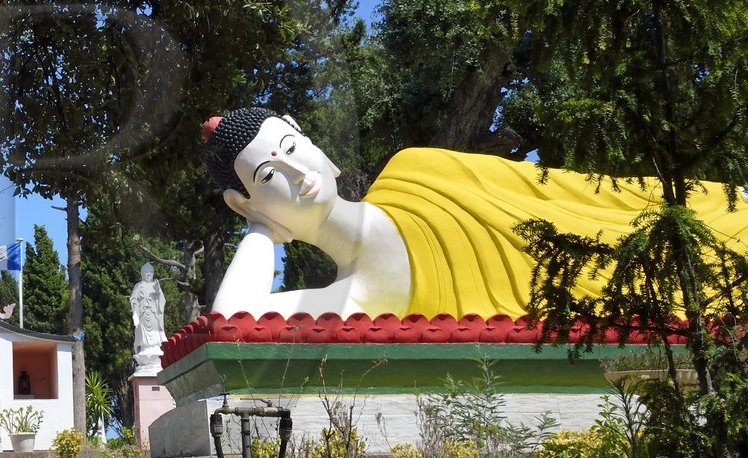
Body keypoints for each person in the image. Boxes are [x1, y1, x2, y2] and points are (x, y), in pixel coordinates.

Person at [202, 107, 748, 319]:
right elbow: (233, 320)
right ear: (244, 201)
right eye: (269, 177)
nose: (300, 176)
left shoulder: (415, 169)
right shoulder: (358, 296)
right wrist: (259, 227)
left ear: (312, 140)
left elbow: (560, 191)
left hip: (612, 233)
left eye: (293, 149)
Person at [130, 262, 166, 367]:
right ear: (142, 274)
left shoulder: (156, 286)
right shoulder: (138, 285)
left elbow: (162, 300)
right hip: (143, 315)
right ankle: (145, 348)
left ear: (153, 273)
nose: (148, 274)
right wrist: (135, 313)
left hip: (154, 314)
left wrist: (158, 291)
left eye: (150, 272)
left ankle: (155, 347)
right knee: (143, 334)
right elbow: (133, 299)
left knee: (155, 333)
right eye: (146, 272)